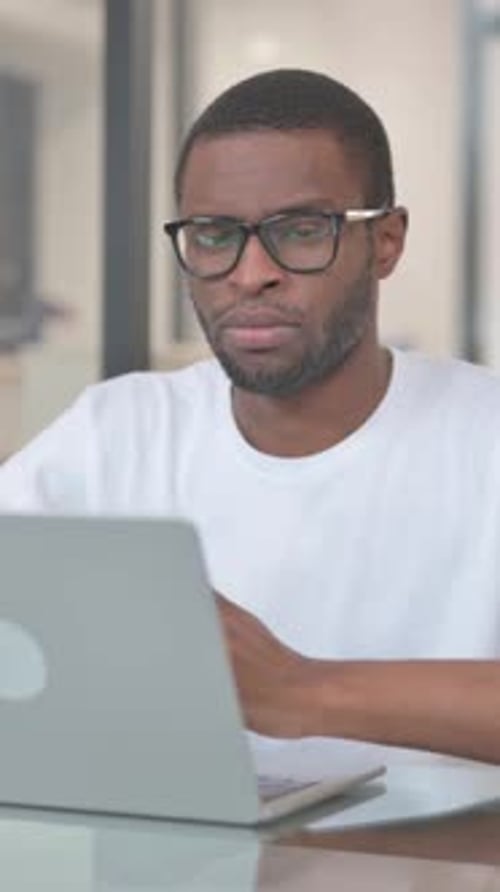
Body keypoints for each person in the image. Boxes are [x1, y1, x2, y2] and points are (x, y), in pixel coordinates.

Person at [1, 68, 500, 763]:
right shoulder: (119, 433)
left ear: (385, 241)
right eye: (213, 235)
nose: (248, 272)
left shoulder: (484, 439)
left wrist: (300, 691)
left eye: (300, 230)